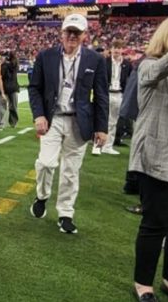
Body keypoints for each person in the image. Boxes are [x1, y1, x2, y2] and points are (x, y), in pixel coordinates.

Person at [28, 13, 109, 234]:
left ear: (84, 35)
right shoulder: (45, 56)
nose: (72, 36)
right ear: (61, 33)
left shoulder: (95, 60)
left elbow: (101, 95)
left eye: (77, 32)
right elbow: (34, 88)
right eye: (69, 31)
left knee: (71, 170)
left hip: (79, 121)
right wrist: (39, 115)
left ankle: (65, 213)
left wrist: (101, 128)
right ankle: (42, 196)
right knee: (46, 163)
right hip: (53, 118)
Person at [130, 14, 168, 302]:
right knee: (156, 223)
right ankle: (143, 284)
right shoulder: (151, 64)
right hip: (159, 156)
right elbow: (154, 72)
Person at [93, 39, 132, 155]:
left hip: (119, 94)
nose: (117, 50)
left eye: (119, 48)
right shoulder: (104, 62)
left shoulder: (127, 64)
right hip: (106, 93)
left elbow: (130, 80)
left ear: (122, 50)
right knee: (101, 120)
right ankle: (97, 146)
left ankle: (108, 146)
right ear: (111, 49)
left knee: (113, 121)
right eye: (115, 48)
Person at [0, 51, 20, 130]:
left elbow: (1, 76)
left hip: (4, 88)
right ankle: (13, 123)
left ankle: (0, 123)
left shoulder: (3, 66)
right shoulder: (15, 65)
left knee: (2, 106)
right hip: (13, 88)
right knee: (13, 106)